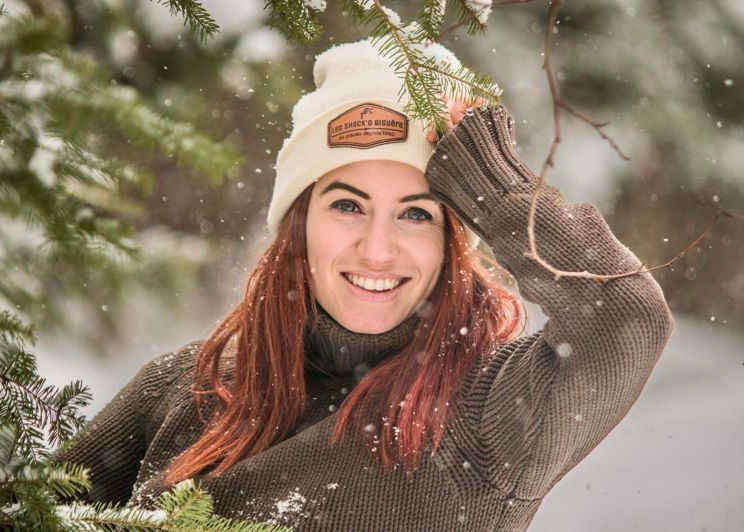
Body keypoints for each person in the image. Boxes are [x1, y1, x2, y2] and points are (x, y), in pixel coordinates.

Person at [55, 38, 674, 530]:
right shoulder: (184, 388)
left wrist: (497, 186)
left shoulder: (488, 417)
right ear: (299, 224)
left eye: (416, 214)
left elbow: (627, 316)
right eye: (347, 205)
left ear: (451, 243)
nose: (377, 250)